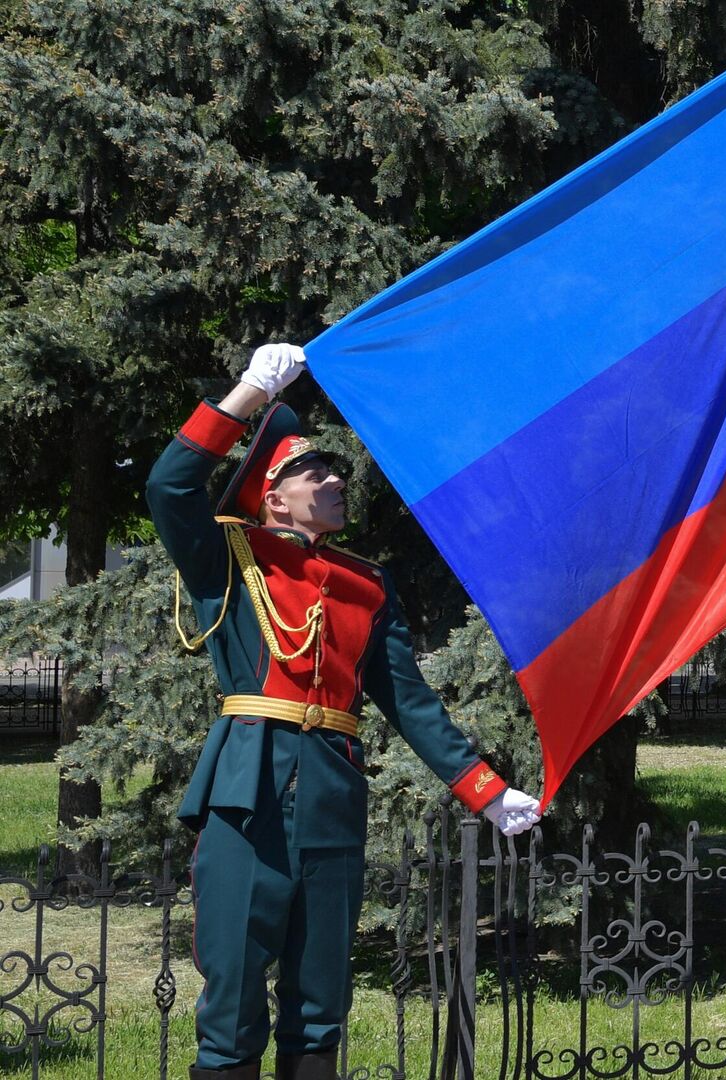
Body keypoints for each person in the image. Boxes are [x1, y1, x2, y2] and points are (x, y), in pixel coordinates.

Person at [150, 344, 543, 1080]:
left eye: (334, 471)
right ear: (271, 495)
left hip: (331, 796)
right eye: (314, 472)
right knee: (232, 1002)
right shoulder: (230, 556)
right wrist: (249, 392)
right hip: (247, 793)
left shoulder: (365, 584)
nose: (336, 480)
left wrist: (484, 790)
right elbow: (170, 486)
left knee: (320, 1000)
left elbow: (409, 701)